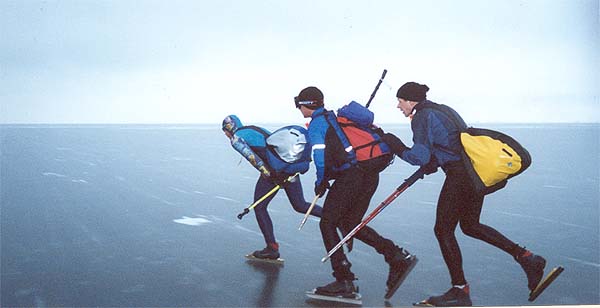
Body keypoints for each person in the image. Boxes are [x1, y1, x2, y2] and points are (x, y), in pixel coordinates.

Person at [381, 82, 548, 306]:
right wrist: (434, 161)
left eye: (400, 101)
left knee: (442, 230)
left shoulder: (421, 116)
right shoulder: (443, 109)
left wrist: (395, 145)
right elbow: (450, 143)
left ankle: (460, 290)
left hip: (460, 176)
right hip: (473, 172)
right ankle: (528, 258)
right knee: (470, 225)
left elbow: (417, 157)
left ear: (411, 101)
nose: (398, 106)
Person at [294, 86, 417, 299]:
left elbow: (320, 156)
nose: (298, 108)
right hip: (368, 174)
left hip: (351, 177)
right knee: (350, 224)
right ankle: (396, 256)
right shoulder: (334, 118)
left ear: (307, 105)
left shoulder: (317, 124)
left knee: (327, 222)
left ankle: (344, 280)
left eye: (299, 104)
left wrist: (320, 181)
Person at [222, 114, 323, 260]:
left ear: (229, 128)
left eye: (225, 130)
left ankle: (272, 248)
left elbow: (254, 159)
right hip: (289, 167)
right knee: (300, 205)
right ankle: (334, 217)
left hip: (275, 171)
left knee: (260, 207)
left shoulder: (236, 139)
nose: (225, 134)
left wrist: (271, 176)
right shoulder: (253, 128)